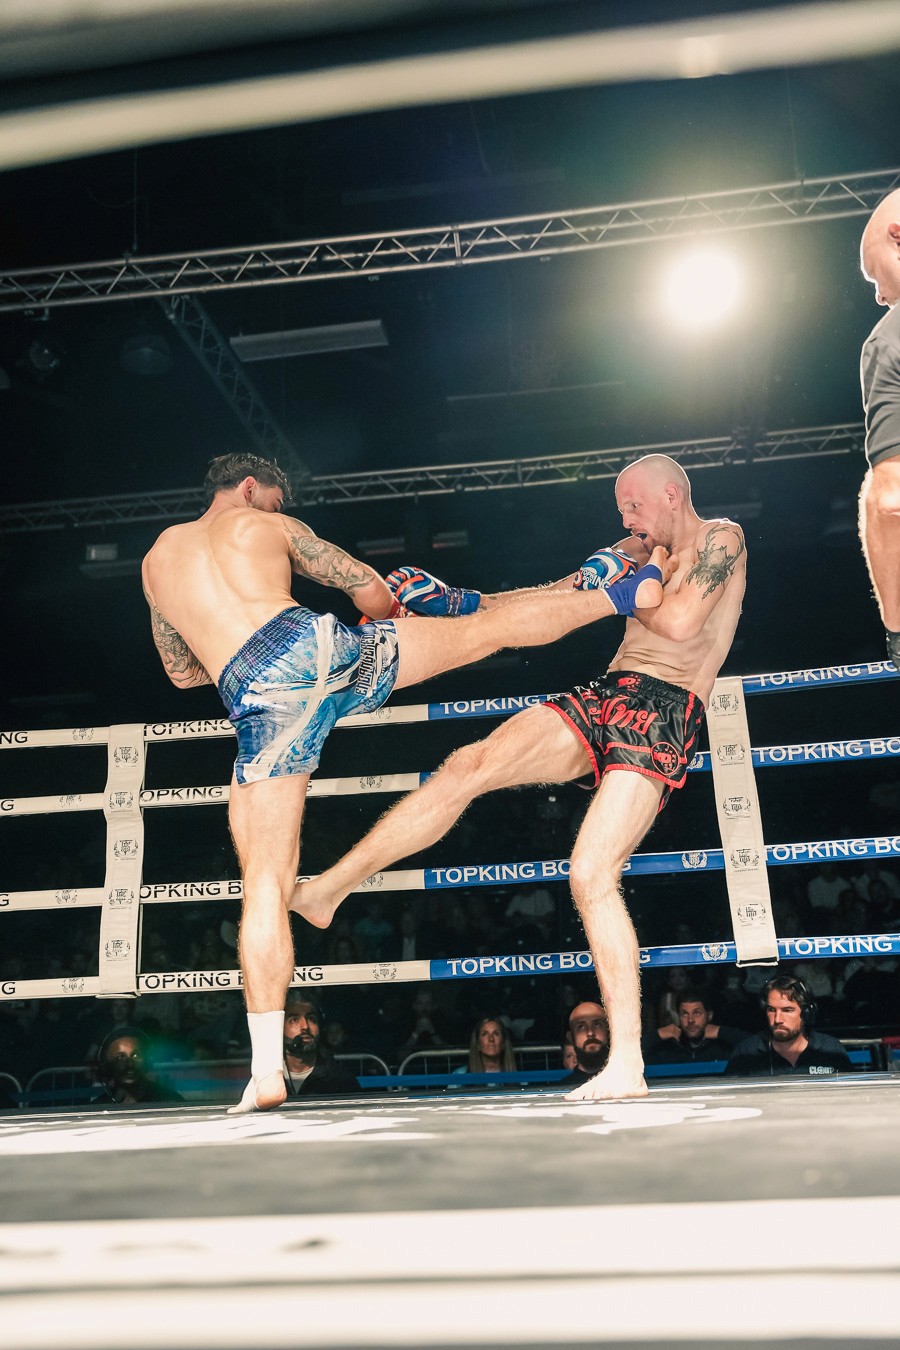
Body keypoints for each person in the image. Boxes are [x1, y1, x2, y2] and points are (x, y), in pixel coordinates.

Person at [142, 451, 666, 1115]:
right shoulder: (265, 526)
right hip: (321, 644)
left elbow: (181, 673)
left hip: (256, 691)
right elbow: (365, 586)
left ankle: (267, 1069)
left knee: (265, 886)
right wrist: (394, 614)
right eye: (274, 499)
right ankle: (618, 595)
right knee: (483, 631)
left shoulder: (157, 563)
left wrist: (222, 638)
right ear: (250, 488)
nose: (276, 508)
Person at [292, 453, 746, 1101]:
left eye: (634, 506)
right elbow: (553, 599)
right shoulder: (633, 551)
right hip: (607, 692)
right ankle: (326, 890)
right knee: (467, 765)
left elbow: (677, 621)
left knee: (590, 872)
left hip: (665, 709)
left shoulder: (722, 538)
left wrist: (630, 584)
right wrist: (460, 603)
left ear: (672, 495)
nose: (626, 520)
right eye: (622, 510)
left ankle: (627, 1063)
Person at [858, 188, 900, 669]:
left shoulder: (889, 341)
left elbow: (891, 500)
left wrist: (897, 631)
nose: (879, 295)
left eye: (875, 276)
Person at [725, 975, 852, 1078]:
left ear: (806, 1013)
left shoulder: (831, 1049)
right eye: (771, 1010)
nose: (777, 1019)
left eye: (787, 1010)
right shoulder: (746, 1052)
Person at [280, 993, 358, 1098]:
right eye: (294, 1020)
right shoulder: (265, 1075)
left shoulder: (340, 1079)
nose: (305, 1026)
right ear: (280, 1027)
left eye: (311, 1019)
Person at [643, 987, 743, 1066]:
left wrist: (722, 1032)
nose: (690, 1020)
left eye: (697, 1013)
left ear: (709, 1015)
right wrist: (657, 1035)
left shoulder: (722, 1048)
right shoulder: (666, 1049)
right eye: (685, 1014)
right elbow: (634, 1054)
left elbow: (751, 1045)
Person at [92, 1028, 184, 1105]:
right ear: (106, 1065)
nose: (129, 1064)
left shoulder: (170, 1101)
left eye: (136, 1056)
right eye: (120, 1057)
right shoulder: (98, 1107)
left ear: (147, 1061)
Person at [559, 1001, 610, 1086]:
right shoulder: (562, 1089)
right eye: (581, 1027)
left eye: (597, 1024)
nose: (590, 1033)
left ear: (609, 1032)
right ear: (571, 1037)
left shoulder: (628, 1083)